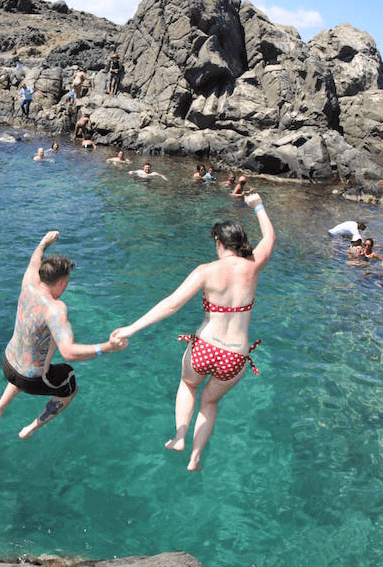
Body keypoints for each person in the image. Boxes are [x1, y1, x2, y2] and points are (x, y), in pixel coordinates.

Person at [111, 193, 275, 470]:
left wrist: (131, 328)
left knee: (188, 385)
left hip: (205, 347)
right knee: (209, 403)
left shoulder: (206, 271)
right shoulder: (253, 266)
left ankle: (179, 437)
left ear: (218, 242)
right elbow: (269, 238)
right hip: (235, 356)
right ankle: (196, 456)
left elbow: (171, 305)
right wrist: (258, 206)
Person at [0, 232, 126, 439]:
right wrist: (107, 346)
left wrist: (43, 243)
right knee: (69, 383)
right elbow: (68, 352)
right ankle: (31, 427)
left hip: (8, 364)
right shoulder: (55, 309)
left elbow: (35, 260)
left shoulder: (28, 283)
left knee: (24, 364)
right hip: (32, 379)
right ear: (61, 283)